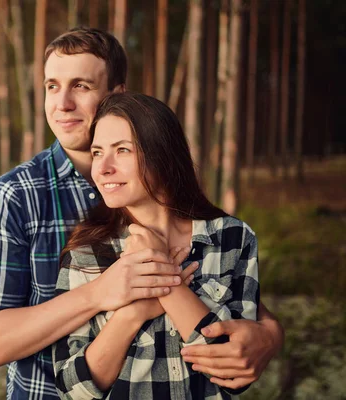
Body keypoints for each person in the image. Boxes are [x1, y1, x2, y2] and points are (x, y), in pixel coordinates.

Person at [0, 27, 283, 400]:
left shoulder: (162, 193)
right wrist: (109, 292)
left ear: (117, 95)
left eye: (81, 86)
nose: (62, 103)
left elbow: (230, 296)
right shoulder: (16, 195)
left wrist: (272, 335)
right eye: (52, 86)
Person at [53, 92, 259, 399]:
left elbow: (234, 372)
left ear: (163, 154)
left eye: (122, 150)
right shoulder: (87, 252)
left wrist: (161, 272)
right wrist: (132, 314)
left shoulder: (231, 238)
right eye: (97, 153)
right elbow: (74, 390)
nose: (103, 168)